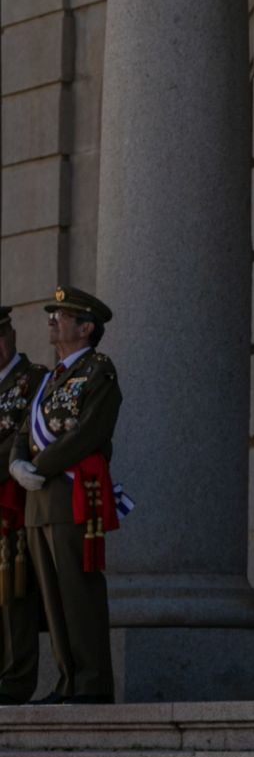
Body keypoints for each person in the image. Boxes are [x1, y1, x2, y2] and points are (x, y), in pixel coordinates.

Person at [7, 287, 123, 705]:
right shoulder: (52, 376)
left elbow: (90, 431)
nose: (53, 319)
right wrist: (18, 463)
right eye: (52, 313)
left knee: (78, 591)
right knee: (52, 599)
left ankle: (92, 682)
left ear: (86, 326)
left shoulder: (98, 371)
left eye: (62, 314)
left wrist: (40, 466)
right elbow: (24, 431)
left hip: (73, 494)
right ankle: (67, 680)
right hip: (38, 500)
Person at [0, 309, 48, 705]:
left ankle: (14, 682)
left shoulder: (35, 379)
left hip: (12, 504)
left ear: (11, 335)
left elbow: (26, 437)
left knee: (14, 593)